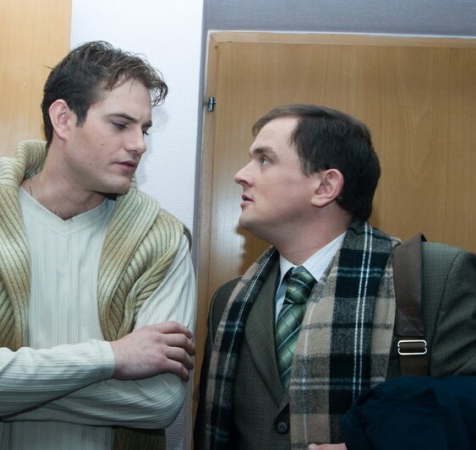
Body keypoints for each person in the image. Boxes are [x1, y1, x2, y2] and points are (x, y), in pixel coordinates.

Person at [0, 41, 196, 450]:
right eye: (121, 124)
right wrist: (112, 358)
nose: (140, 144)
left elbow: (159, 401)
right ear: (63, 119)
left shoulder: (162, 241)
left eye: (144, 129)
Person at [194, 104, 476, 450]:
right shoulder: (228, 301)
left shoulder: (434, 276)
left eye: (264, 160)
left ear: (325, 186)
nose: (241, 174)